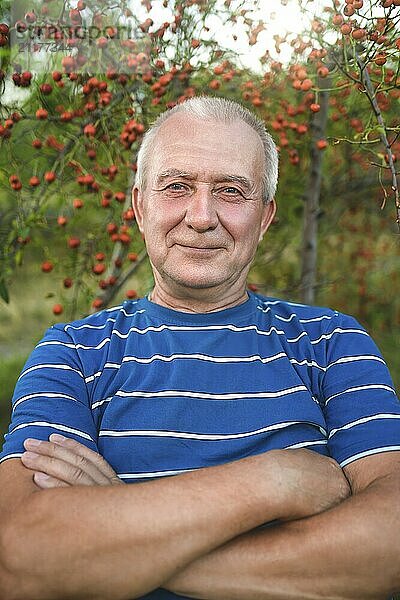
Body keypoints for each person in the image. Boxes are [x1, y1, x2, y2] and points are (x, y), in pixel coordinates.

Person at [0, 96, 400, 600]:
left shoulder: (331, 342)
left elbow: (391, 541)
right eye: (177, 187)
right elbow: (19, 555)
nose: (201, 216)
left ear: (266, 215)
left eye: (232, 191)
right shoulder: (73, 353)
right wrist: (270, 482)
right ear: (140, 206)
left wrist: (125, 540)